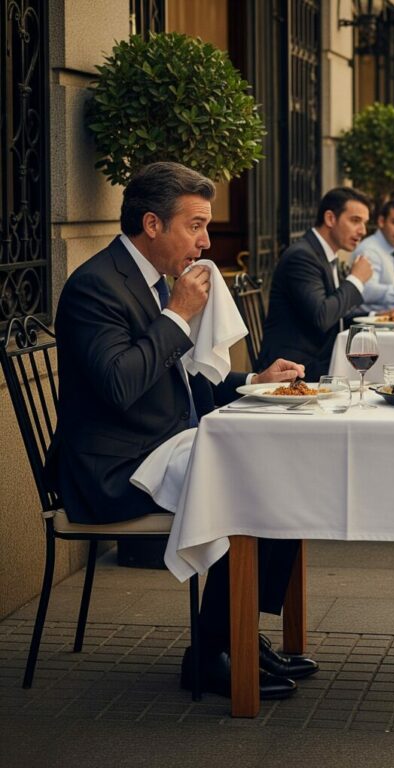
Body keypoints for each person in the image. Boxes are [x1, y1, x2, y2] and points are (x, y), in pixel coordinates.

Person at [48, 162, 317, 700]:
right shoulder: (94, 288)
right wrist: (175, 317)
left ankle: (236, 631)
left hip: (159, 444)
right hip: (113, 470)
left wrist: (252, 382)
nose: (205, 241)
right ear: (152, 224)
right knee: (257, 482)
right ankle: (211, 653)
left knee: (289, 462)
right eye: (195, 226)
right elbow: (121, 386)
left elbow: (181, 380)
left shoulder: (151, 281)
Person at [260, 187, 374, 380]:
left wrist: (374, 317)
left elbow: (336, 314)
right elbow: (322, 316)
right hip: (295, 371)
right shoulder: (302, 256)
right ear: (330, 219)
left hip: (321, 362)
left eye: (364, 223)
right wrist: (356, 280)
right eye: (355, 221)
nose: (362, 231)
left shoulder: (325, 254)